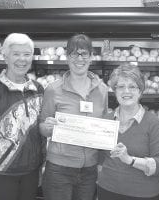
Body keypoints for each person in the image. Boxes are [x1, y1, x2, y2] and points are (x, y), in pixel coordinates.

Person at [0, 33, 47, 200]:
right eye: (16, 54)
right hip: (0, 174)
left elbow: (40, 134)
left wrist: (41, 166)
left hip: (30, 173)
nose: (22, 59)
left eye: (27, 54)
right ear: (5, 56)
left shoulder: (38, 89)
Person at [39, 34, 108, 200]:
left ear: (91, 57)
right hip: (59, 168)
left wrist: (100, 163)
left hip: (89, 170)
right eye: (73, 54)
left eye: (84, 53)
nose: (79, 59)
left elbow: (104, 128)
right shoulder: (53, 89)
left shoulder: (102, 90)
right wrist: (47, 127)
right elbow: (42, 126)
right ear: (67, 57)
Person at [97, 63, 159, 200]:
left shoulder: (152, 122)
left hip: (143, 194)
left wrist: (130, 160)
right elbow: (100, 159)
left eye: (132, 86)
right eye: (121, 87)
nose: (126, 91)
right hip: (107, 191)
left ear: (140, 91)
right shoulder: (106, 121)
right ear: (114, 90)